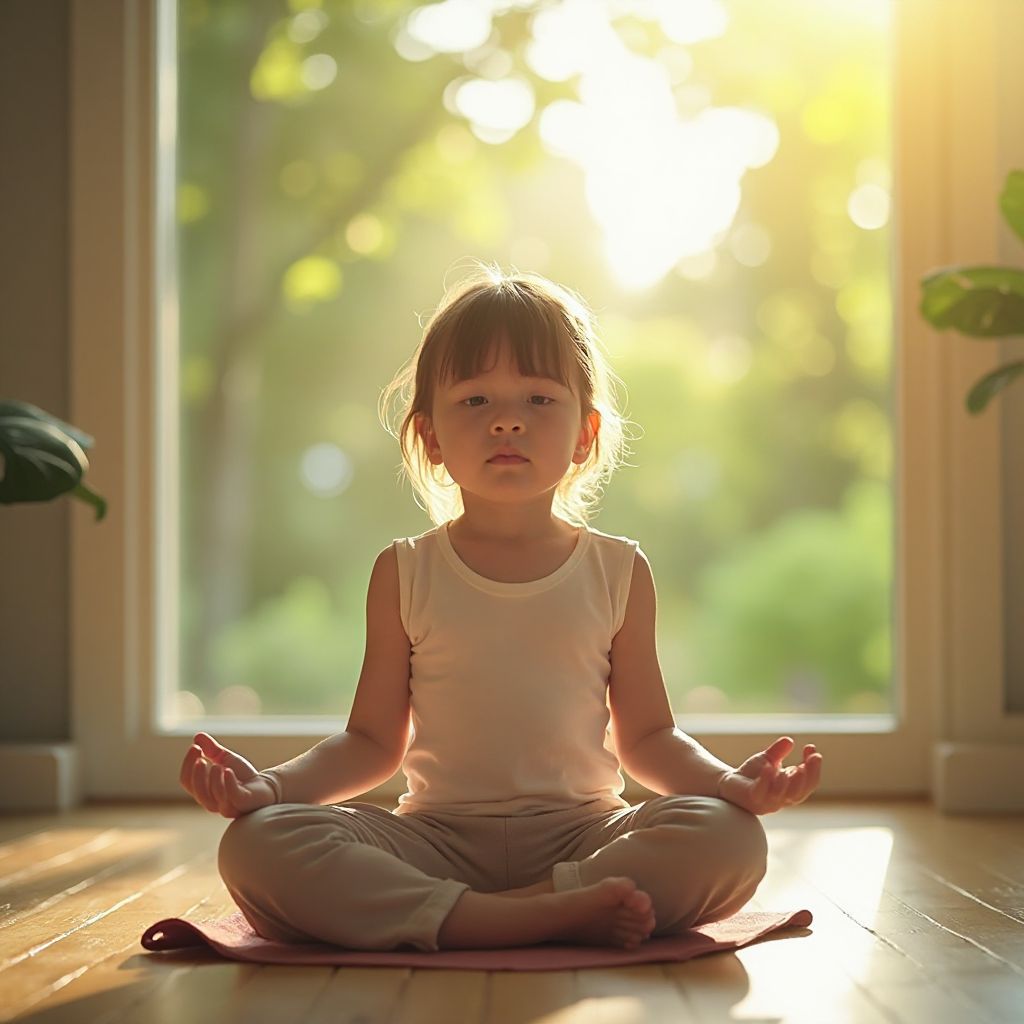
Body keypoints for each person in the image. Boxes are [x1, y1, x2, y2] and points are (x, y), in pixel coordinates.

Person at [180, 266, 823, 953]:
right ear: (429, 436)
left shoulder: (619, 569)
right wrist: (269, 787)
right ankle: (537, 916)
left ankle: (485, 914)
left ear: (585, 433)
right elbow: (371, 743)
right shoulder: (404, 570)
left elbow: (648, 741)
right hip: (434, 840)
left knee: (728, 836)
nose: (507, 419)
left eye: (540, 399)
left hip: (585, 837)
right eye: (476, 398)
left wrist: (730, 784)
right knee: (257, 845)